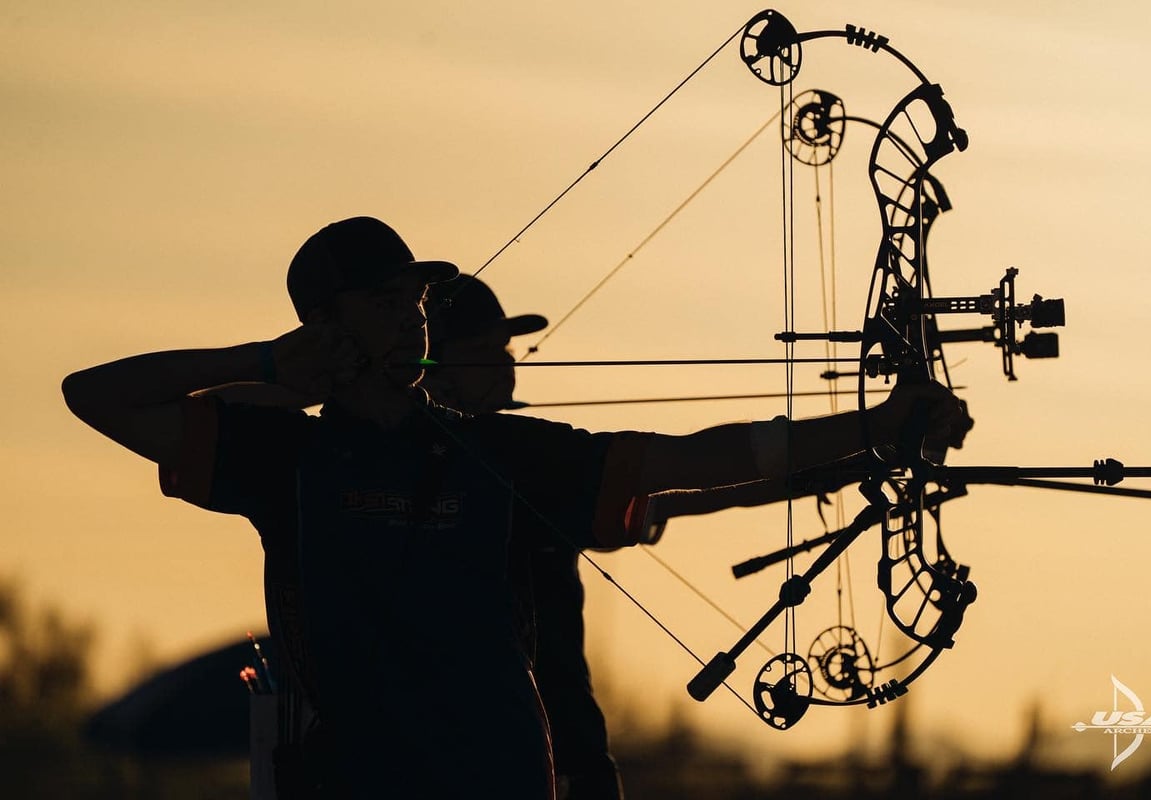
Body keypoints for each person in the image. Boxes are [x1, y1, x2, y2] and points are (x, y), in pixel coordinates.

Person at [62, 216, 970, 798]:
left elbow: (693, 461)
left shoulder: (494, 454)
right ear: (329, 326)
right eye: (388, 301)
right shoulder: (283, 456)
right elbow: (93, 394)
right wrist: (265, 364)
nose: (416, 317)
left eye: (417, 299)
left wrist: (874, 428)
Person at [423, 274, 624, 800]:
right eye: (480, 349)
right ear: (430, 368)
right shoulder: (408, 463)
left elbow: (656, 492)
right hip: (477, 755)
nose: (505, 362)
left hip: (569, 747)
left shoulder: (538, 455)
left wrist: (810, 473)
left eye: (505, 348)